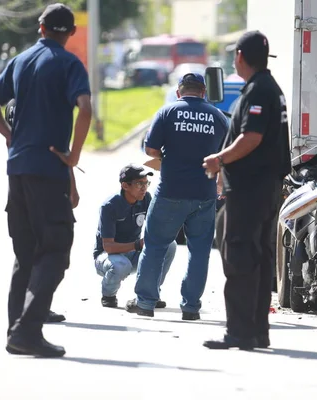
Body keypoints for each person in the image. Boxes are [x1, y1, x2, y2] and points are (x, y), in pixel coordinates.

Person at [0, 3, 92, 357]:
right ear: (71, 33)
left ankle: (17, 332)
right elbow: (86, 108)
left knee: (25, 252)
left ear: (41, 27)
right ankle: (27, 330)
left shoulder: (20, 61)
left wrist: (9, 135)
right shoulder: (70, 64)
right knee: (56, 249)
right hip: (48, 170)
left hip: (18, 169)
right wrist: (73, 155)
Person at [202, 31, 291, 350]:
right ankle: (256, 331)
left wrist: (218, 160)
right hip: (265, 188)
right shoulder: (269, 88)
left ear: (240, 56)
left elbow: (251, 138)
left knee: (239, 255)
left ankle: (240, 332)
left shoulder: (258, 91)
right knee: (258, 257)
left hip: (250, 189)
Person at [126, 73, 228, 319]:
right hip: (204, 194)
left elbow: (150, 149)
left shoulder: (168, 112)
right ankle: (191, 307)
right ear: (204, 92)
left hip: (170, 192)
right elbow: (226, 155)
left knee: (155, 246)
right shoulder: (219, 117)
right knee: (200, 251)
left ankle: (146, 303)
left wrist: (169, 157)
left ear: (180, 93)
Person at [3, 99, 69, 324]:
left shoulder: (13, 105)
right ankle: (32, 311)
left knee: (27, 257)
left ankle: (28, 313)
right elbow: (60, 150)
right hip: (42, 184)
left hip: (18, 184)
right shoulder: (40, 104)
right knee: (51, 256)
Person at [94, 164, 176, 308]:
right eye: (139, 184)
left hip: (133, 253)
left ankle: (151, 293)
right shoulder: (109, 206)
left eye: (146, 183)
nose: (144, 188)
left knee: (169, 245)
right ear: (125, 186)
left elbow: (157, 224)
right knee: (121, 265)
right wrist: (138, 245)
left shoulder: (145, 199)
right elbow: (108, 246)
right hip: (107, 257)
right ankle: (108, 295)